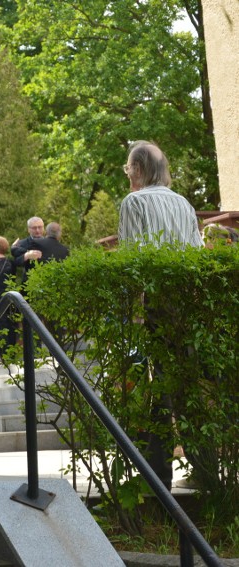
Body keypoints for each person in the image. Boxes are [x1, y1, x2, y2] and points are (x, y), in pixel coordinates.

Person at [118, 140, 203, 489]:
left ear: (138, 169)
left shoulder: (133, 202)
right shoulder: (184, 202)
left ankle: (156, 476)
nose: (128, 175)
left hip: (153, 304)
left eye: (128, 168)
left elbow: (130, 259)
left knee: (153, 389)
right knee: (186, 386)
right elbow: (198, 255)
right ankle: (204, 466)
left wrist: (131, 312)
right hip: (187, 305)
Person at [11, 217, 45, 283]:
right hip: (29, 282)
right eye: (34, 228)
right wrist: (26, 256)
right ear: (28, 230)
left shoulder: (49, 242)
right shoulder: (21, 243)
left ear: (43, 228)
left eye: (40, 227)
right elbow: (16, 262)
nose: (37, 230)